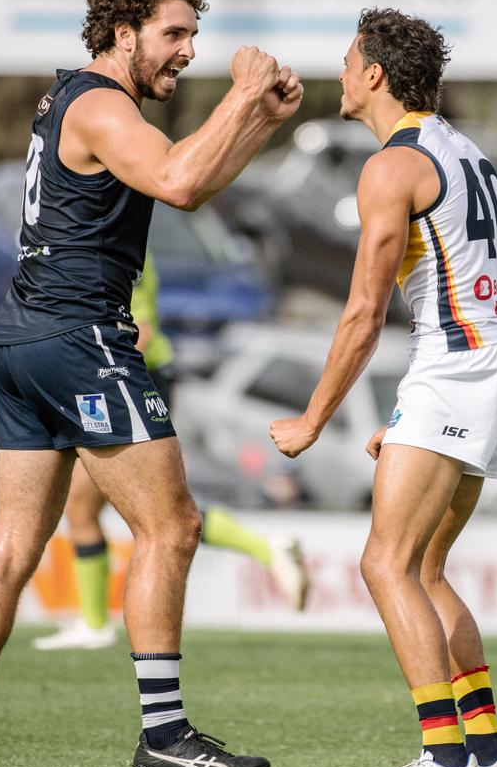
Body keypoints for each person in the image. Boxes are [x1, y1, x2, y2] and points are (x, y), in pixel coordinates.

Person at [0, 0, 303, 767]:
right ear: (122, 32)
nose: (187, 51)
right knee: (173, 528)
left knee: (14, 542)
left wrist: (258, 122)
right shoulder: (102, 103)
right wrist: (243, 94)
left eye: (194, 36)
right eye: (173, 34)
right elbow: (177, 178)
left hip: (21, 339)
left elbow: (188, 187)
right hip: (77, 341)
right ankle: (164, 735)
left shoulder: (72, 95)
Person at [270, 8, 497, 767]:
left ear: (375, 75)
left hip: (458, 369)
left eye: (349, 62)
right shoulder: (469, 151)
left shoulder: (392, 166)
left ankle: (446, 764)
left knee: (384, 564)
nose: (340, 75)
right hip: (492, 363)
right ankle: (490, 753)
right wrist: (415, 415)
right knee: (424, 567)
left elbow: (362, 311)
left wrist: (313, 419)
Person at [32, 251, 309, 651]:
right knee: (132, 508)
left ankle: (94, 625)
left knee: (111, 508)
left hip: (134, 377)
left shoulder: (123, 251)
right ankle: (266, 548)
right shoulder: (101, 243)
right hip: (128, 378)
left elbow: (138, 333)